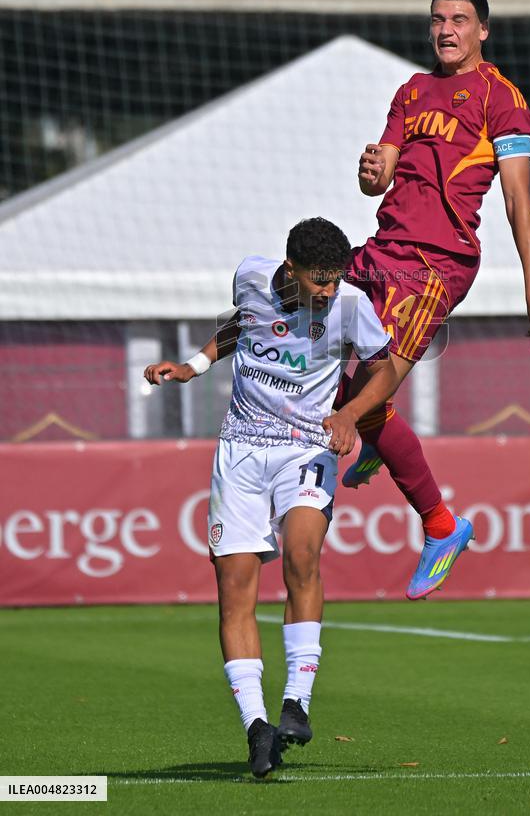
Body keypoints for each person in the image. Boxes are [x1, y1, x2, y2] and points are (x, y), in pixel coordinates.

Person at [342, 0, 530, 601]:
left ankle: (442, 526)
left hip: (435, 264)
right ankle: (375, 437)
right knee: (312, 334)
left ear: (483, 30)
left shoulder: (503, 100)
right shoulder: (411, 91)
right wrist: (372, 173)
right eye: (439, 19)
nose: (446, 30)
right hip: (380, 249)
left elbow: (519, 201)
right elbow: (381, 173)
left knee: (364, 390)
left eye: (460, 19)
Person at [144, 217, 399, 779]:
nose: (328, 292)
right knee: (233, 586)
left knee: (302, 555)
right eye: (319, 282)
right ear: (290, 270)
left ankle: (297, 704)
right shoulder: (251, 276)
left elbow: (385, 370)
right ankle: (257, 725)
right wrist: (193, 366)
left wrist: (350, 413)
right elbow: (242, 325)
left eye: (335, 280)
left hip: (306, 447)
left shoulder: (351, 305)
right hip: (239, 450)